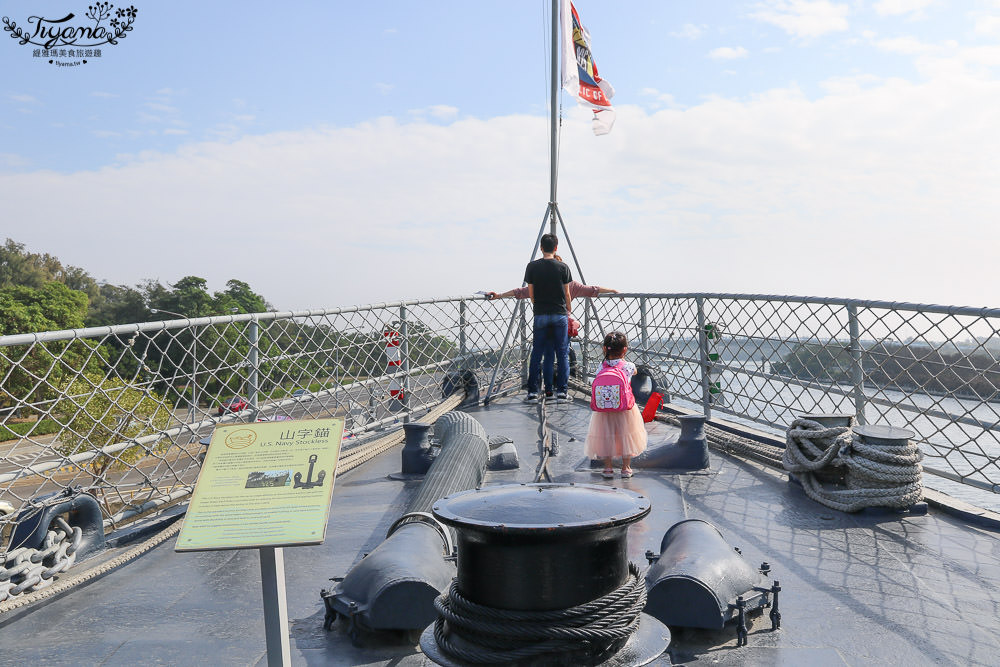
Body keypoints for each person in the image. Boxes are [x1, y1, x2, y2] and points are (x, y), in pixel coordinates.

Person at [486, 255, 618, 396]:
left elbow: (520, 292)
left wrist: (499, 295)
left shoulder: (540, 283)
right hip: (562, 321)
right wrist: (613, 291)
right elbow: (593, 289)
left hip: (543, 320)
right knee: (563, 356)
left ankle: (546, 389)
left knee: (547, 356)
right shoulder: (571, 284)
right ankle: (562, 391)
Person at [585, 331, 648, 479]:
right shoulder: (628, 366)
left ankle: (608, 468)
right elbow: (635, 372)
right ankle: (626, 468)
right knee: (626, 435)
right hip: (625, 410)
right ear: (624, 349)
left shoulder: (601, 367)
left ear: (604, 349)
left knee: (606, 436)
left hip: (604, 411)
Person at [521, 234, 572, 402]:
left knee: (537, 353)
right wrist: (568, 311)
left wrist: (538, 306)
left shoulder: (532, 267)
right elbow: (567, 293)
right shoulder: (563, 267)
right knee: (562, 352)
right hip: (559, 314)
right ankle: (562, 391)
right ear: (556, 247)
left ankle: (533, 392)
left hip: (540, 314)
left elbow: (531, 293)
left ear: (541, 248)